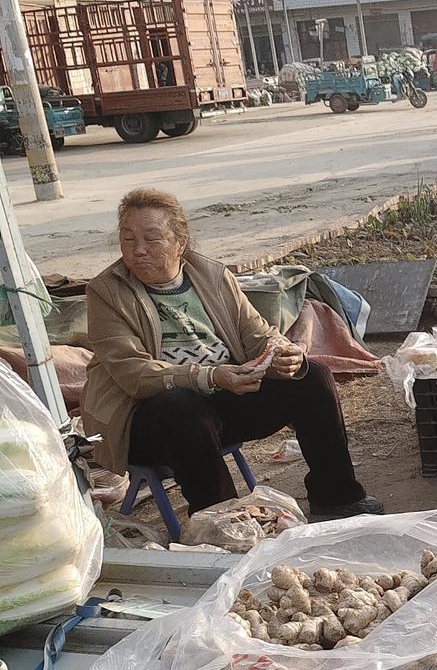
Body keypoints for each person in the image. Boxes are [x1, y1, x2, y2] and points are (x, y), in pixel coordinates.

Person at [82, 188, 384, 518]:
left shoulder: (213, 276)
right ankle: (224, 522)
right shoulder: (106, 292)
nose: (138, 250)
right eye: (128, 239)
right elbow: (133, 374)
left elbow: (257, 334)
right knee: (180, 406)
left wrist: (282, 351)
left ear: (180, 242)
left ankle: (337, 496)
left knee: (312, 376)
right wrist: (210, 376)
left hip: (220, 400)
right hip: (147, 421)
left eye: (151, 239)